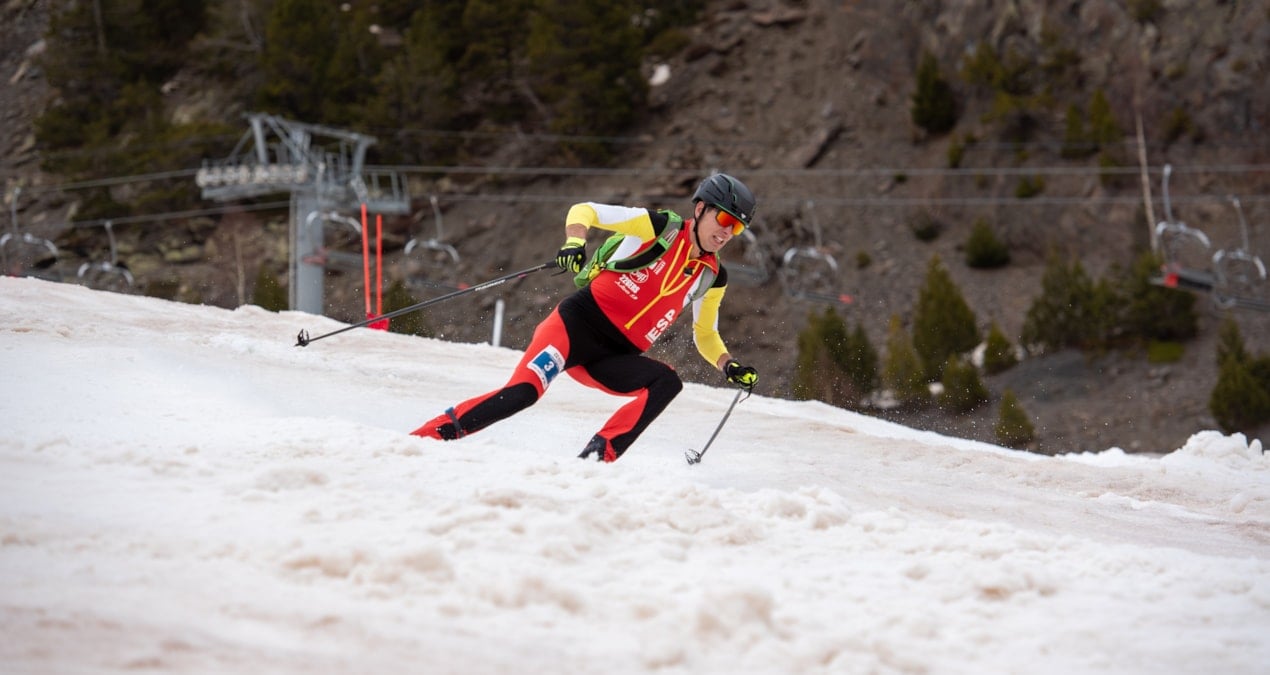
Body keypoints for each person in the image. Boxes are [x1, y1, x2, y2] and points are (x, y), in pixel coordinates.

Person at [411, 173, 760, 462]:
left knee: (666, 382)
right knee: (523, 394)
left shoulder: (712, 276)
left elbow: (705, 334)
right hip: (574, 327)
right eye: (726, 219)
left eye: (738, 228)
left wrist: (730, 366)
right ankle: (426, 438)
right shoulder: (658, 228)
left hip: (613, 357)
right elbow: (585, 210)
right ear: (700, 209)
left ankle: (594, 460)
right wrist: (574, 243)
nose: (728, 232)